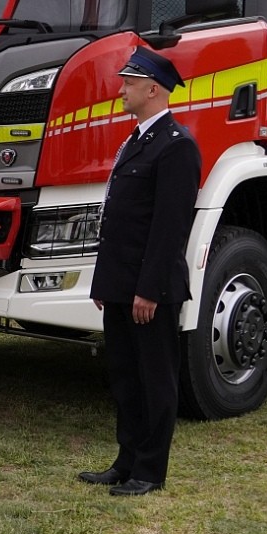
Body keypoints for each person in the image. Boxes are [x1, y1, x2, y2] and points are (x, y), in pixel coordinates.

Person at [81, 45, 201, 496]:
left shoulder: (176, 147)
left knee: (155, 380)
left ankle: (150, 470)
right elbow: (117, 219)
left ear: (153, 89)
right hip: (121, 285)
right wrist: (106, 283)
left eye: (130, 82)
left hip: (151, 290)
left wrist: (148, 290)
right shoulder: (136, 140)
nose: (122, 88)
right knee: (126, 379)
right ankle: (126, 460)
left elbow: (169, 229)